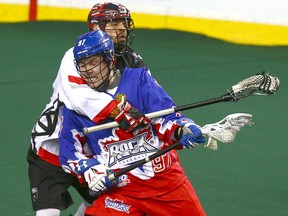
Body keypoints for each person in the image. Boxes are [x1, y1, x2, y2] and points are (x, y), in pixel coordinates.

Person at [59, 29, 207, 216]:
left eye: (93, 62)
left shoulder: (139, 80)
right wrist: (92, 171)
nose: (88, 70)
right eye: (82, 64)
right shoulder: (76, 105)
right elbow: (70, 154)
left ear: (110, 59)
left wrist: (181, 129)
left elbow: (166, 117)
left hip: (167, 185)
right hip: (121, 192)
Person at [27, 2, 148, 216]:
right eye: (114, 23)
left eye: (123, 23)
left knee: (111, 202)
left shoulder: (132, 60)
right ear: (95, 27)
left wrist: (173, 122)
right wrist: (120, 111)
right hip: (53, 149)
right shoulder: (75, 57)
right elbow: (78, 97)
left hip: (96, 151)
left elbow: (150, 94)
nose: (121, 29)